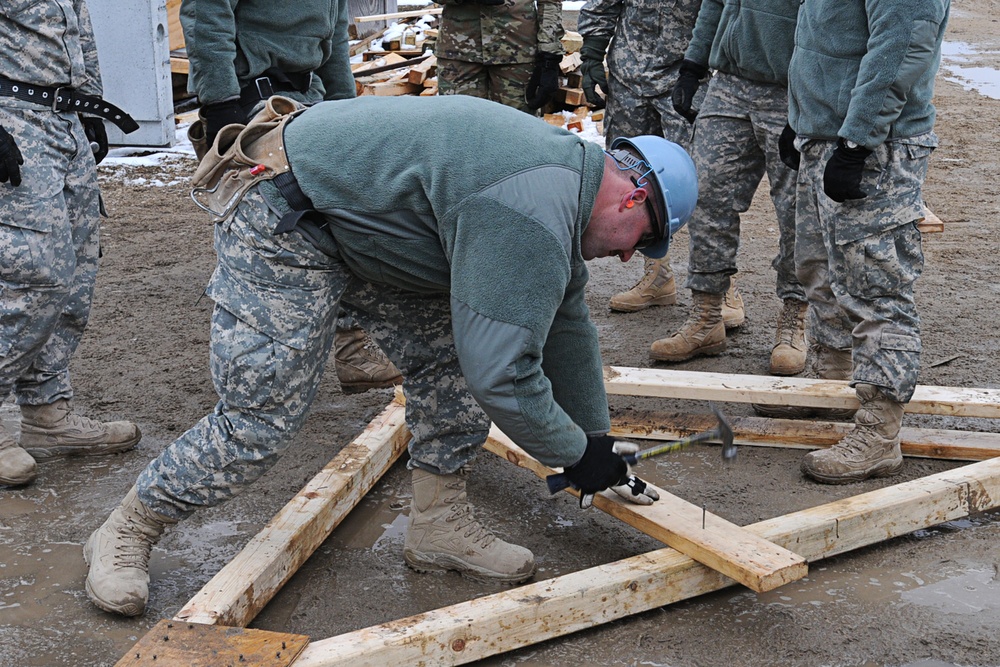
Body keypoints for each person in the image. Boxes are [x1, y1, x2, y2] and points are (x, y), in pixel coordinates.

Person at [82, 94, 698, 616]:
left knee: (452, 362)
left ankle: (437, 524)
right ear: (630, 200)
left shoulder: (566, 191)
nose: (627, 260)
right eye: (641, 243)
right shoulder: (532, 206)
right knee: (261, 415)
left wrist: (595, 439)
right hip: (286, 212)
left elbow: (567, 327)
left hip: (372, 229)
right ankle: (129, 528)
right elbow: (505, 375)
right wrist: (572, 456)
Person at [179, 0, 402, 394]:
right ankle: (255, 368)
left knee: (341, 221)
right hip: (251, 105)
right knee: (269, 236)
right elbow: (206, 15)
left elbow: (332, 31)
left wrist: (344, 108)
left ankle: (353, 349)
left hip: (308, 99)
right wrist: (220, 104)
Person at [781, 0, 950, 483]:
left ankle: (879, 431)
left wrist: (857, 141)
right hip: (825, 135)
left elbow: (899, 51)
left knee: (876, 288)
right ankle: (831, 380)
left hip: (877, 145)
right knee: (820, 269)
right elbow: (826, 35)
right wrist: (801, 120)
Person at [0, 0, 143, 486]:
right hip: (11, 117)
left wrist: (90, 104)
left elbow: (79, 30)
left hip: (63, 119)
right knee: (35, 273)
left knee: (79, 267)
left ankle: (47, 413)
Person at [646, 0, 808, 375]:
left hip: (791, 92)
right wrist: (693, 66)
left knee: (798, 212)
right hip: (729, 87)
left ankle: (794, 322)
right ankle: (706, 318)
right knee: (706, 199)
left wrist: (810, 100)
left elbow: (827, 25)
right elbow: (715, 5)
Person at [578, 0, 744, 328]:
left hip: (688, 76)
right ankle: (657, 277)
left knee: (706, 183)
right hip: (630, 78)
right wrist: (591, 56)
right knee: (631, 182)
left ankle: (720, 285)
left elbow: (728, 11)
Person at [434, 0, 564, 113]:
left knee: (517, 131)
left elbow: (550, 2)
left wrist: (549, 56)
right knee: (459, 129)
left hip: (517, 52)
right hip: (459, 52)